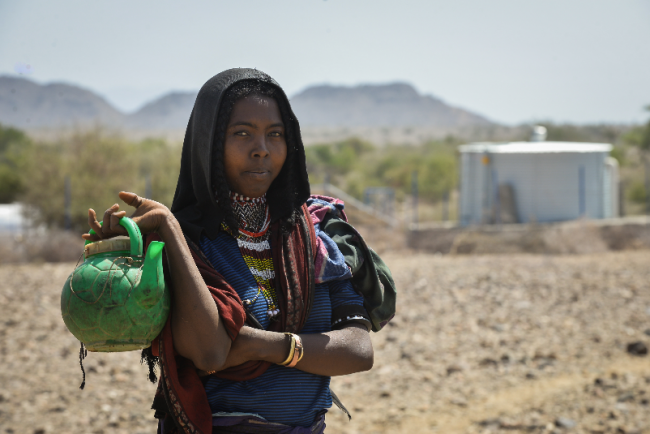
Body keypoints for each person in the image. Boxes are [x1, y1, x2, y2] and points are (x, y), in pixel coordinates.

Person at [82, 69, 379, 434]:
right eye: (242, 133)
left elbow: (359, 350)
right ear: (209, 143)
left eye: (276, 134)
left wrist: (261, 345)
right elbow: (210, 352)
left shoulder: (313, 235)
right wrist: (171, 231)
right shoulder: (186, 241)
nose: (262, 149)